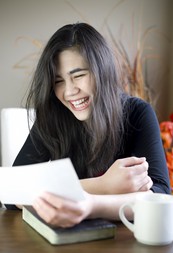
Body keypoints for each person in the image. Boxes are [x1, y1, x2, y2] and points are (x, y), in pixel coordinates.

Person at [5, 22, 171, 228]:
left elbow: (161, 196)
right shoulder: (53, 115)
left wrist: (91, 204)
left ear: (103, 71)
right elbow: (12, 194)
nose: (69, 91)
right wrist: (103, 185)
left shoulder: (137, 113)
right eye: (58, 81)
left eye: (79, 76)